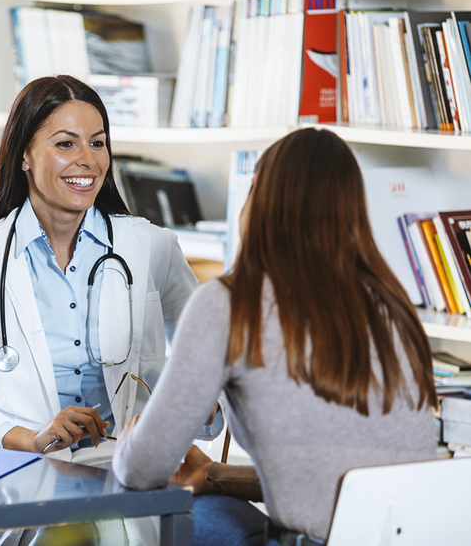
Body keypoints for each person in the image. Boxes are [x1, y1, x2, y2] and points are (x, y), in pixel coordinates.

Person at [112, 128, 439, 545]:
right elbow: (337, 479)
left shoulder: (231, 303)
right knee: (215, 500)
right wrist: (216, 475)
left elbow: (144, 469)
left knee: (190, 515)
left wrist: (126, 444)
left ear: (260, 203)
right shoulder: (392, 304)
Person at [0, 74, 219, 458]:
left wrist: (193, 405)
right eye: (66, 143)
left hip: (132, 475)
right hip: (30, 481)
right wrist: (29, 437)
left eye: (97, 143)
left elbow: (211, 373)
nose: (87, 159)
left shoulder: (153, 248)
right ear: (24, 155)